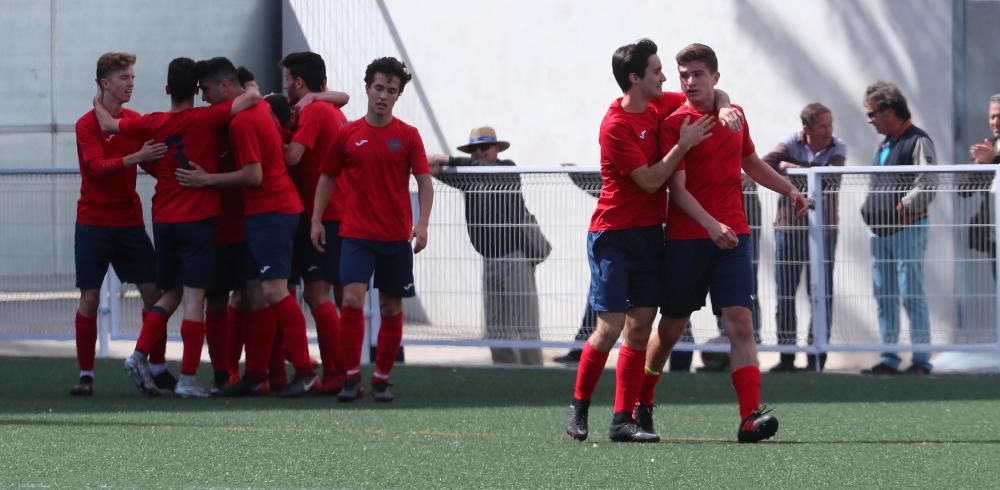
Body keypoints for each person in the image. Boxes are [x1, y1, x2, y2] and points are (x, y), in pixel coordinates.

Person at [640, 43, 808, 443]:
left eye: (697, 74)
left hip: (734, 236)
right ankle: (642, 404)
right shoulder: (675, 122)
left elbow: (750, 162)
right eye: (683, 75)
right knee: (671, 329)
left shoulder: (735, 115)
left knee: (742, 323)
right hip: (688, 239)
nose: (689, 81)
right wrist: (712, 225)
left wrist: (790, 190)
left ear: (715, 76)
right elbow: (676, 190)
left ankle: (750, 417)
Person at [565, 38, 716, 444]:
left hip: (650, 235)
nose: (666, 78)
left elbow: (708, 95)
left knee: (639, 328)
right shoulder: (615, 126)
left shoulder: (657, 105)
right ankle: (579, 404)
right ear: (635, 78)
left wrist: (730, 105)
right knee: (610, 326)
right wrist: (683, 145)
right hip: (613, 236)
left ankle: (622, 421)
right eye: (656, 71)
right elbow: (650, 181)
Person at [93, 57, 260, 398]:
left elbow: (109, 125)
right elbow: (251, 98)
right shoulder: (208, 117)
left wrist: (99, 99)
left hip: (164, 219)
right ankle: (187, 378)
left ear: (168, 89)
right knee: (195, 299)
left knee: (170, 293)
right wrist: (251, 85)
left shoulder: (153, 122)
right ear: (198, 91)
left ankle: (139, 354)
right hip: (198, 220)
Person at [176, 58, 318, 397]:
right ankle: (257, 375)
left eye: (208, 90)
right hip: (267, 213)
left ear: (225, 86)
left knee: (272, 292)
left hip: (272, 212)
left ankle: (305, 369)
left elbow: (253, 174)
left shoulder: (242, 121)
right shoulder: (260, 109)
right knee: (255, 295)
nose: (205, 97)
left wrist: (206, 180)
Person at [311, 56, 434, 402]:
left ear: (398, 96)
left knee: (391, 309)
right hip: (355, 235)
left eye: (391, 90)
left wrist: (421, 224)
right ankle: (351, 377)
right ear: (367, 88)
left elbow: (425, 182)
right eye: (379, 87)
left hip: (395, 238)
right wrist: (316, 220)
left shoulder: (408, 136)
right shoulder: (347, 133)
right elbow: (327, 177)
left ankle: (381, 378)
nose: (383, 95)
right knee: (350, 301)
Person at [70, 52, 169, 396]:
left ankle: (153, 366)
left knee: (154, 293)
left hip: (129, 222)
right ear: (104, 83)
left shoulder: (135, 120)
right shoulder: (85, 125)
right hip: (93, 222)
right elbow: (96, 168)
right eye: (124, 77)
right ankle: (86, 375)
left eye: (132, 77)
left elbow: (156, 162)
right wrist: (136, 157)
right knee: (90, 297)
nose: (131, 83)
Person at [429, 127, 545, 366]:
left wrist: (447, 160)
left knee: (526, 325)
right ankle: (504, 376)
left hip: (515, 258)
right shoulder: (470, 175)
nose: (479, 152)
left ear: (496, 149)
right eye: (474, 149)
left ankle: (535, 376)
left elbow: (477, 169)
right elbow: (437, 171)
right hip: (489, 260)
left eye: (485, 147)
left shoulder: (507, 168)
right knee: (496, 328)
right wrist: (432, 166)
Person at [282, 52, 351, 395]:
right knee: (340, 296)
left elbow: (293, 156)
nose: (284, 86)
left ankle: (337, 375)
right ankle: (345, 373)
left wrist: (264, 137)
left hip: (322, 216)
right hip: (342, 214)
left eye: (286, 80)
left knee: (315, 293)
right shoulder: (334, 110)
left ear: (298, 82)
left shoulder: (314, 111)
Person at [859, 81, 937, 376]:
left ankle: (921, 360)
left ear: (889, 110)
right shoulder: (885, 143)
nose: (869, 120)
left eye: (872, 113)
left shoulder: (918, 140)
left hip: (908, 229)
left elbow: (928, 182)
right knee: (884, 294)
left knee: (911, 294)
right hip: (880, 233)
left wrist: (903, 206)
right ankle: (889, 358)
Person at [762, 102, 846, 372]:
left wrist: (791, 168)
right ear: (807, 129)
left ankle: (816, 358)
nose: (829, 131)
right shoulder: (789, 142)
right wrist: (791, 169)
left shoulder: (838, 147)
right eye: (823, 126)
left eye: (830, 124)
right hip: (788, 230)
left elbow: (830, 182)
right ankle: (787, 356)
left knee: (821, 294)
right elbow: (764, 166)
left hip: (824, 232)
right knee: (785, 294)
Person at [964, 94, 1000, 269]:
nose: (995, 122)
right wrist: (978, 164)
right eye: (992, 116)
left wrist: (994, 160)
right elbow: (964, 191)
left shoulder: (991, 153)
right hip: (994, 236)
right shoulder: (989, 147)